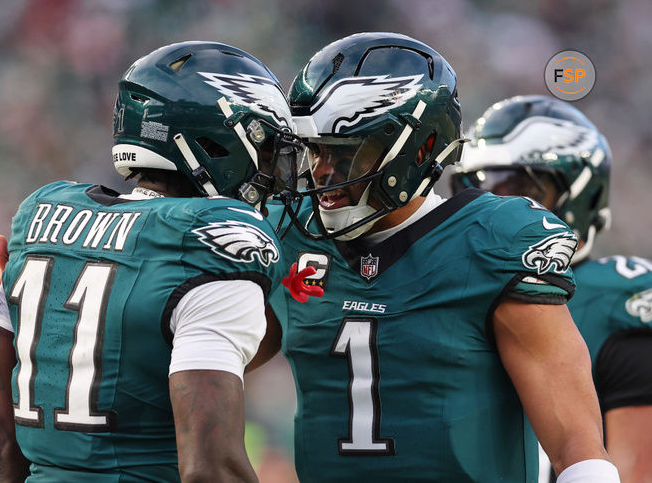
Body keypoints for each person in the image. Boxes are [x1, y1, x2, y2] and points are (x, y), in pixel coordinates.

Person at [255, 32, 619, 482]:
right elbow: (202, 366)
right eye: (315, 150)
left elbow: (577, 449)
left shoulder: (493, 242)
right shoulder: (290, 233)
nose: (322, 172)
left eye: (346, 154)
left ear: (419, 150)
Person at [0, 40, 306, 482]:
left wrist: (23, 335)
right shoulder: (211, 241)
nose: (272, 171)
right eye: (265, 147)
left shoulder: (41, 218)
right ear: (215, 144)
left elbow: (1, 455)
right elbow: (212, 469)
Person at [450, 94, 652, 483]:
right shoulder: (444, 289)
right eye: (478, 191)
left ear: (582, 196)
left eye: (522, 192)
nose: (500, 213)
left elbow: (639, 471)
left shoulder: (616, 302)